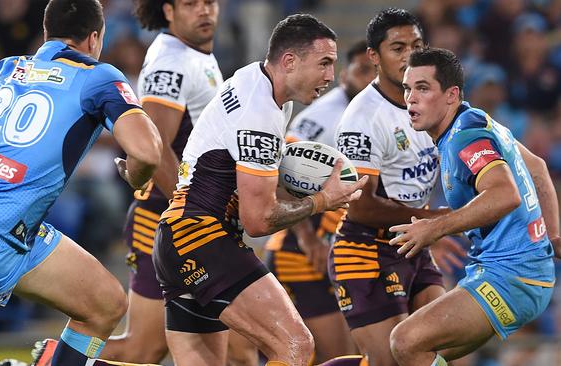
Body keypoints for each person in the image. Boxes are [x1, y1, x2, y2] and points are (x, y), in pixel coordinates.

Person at [0, 1, 162, 366]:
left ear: (47, 33)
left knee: (105, 304)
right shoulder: (98, 76)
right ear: (95, 38)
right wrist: (136, 178)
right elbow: (147, 153)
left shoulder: (6, 68)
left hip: (21, 234)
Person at [151, 14, 367, 366]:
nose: (331, 75)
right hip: (201, 238)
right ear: (290, 61)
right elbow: (258, 220)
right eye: (324, 63)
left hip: (179, 237)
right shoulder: (261, 112)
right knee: (296, 344)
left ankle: (69, 360)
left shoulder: (257, 82)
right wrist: (322, 200)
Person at [389, 47, 561, 366]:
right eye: (407, 88)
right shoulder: (477, 121)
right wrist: (550, 237)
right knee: (419, 353)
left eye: (422, 88)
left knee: (405, 342)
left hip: (511, 278)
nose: (410, 98)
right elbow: (538, 168)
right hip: (520, 274)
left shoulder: (464, 137)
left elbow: (505, 194)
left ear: (451, 94)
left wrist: (435, 228)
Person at [328, 8, 465, 366]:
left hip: (411, 246)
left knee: (447, 348)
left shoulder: (430, 102)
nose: (409, 55)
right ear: (374, 56)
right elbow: (358, 205)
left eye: (416, 45)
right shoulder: (363, 117)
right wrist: (433, 218)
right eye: (398, 47)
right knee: (393, 362)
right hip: (365, 250)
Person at [100, 0, 223, 363]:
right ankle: (53, 360)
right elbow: (157, 147)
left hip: (196, 218)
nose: (204, 11)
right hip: (166, 217)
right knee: (144, 348)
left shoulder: (195, 55)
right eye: (190, 4)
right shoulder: (171, 60)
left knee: (239, 351)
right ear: (168, 10)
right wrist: (191, 210)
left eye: (209, 2)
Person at [262, 39, 374, 364]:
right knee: (333, 353)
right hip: (302, 251)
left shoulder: (384, 113)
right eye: (361, 70)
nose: (369, 79)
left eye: (374, 72)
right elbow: (281, 173)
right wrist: (308, 238)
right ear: (344, 76)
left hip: (341, 248)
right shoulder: (323, 118)